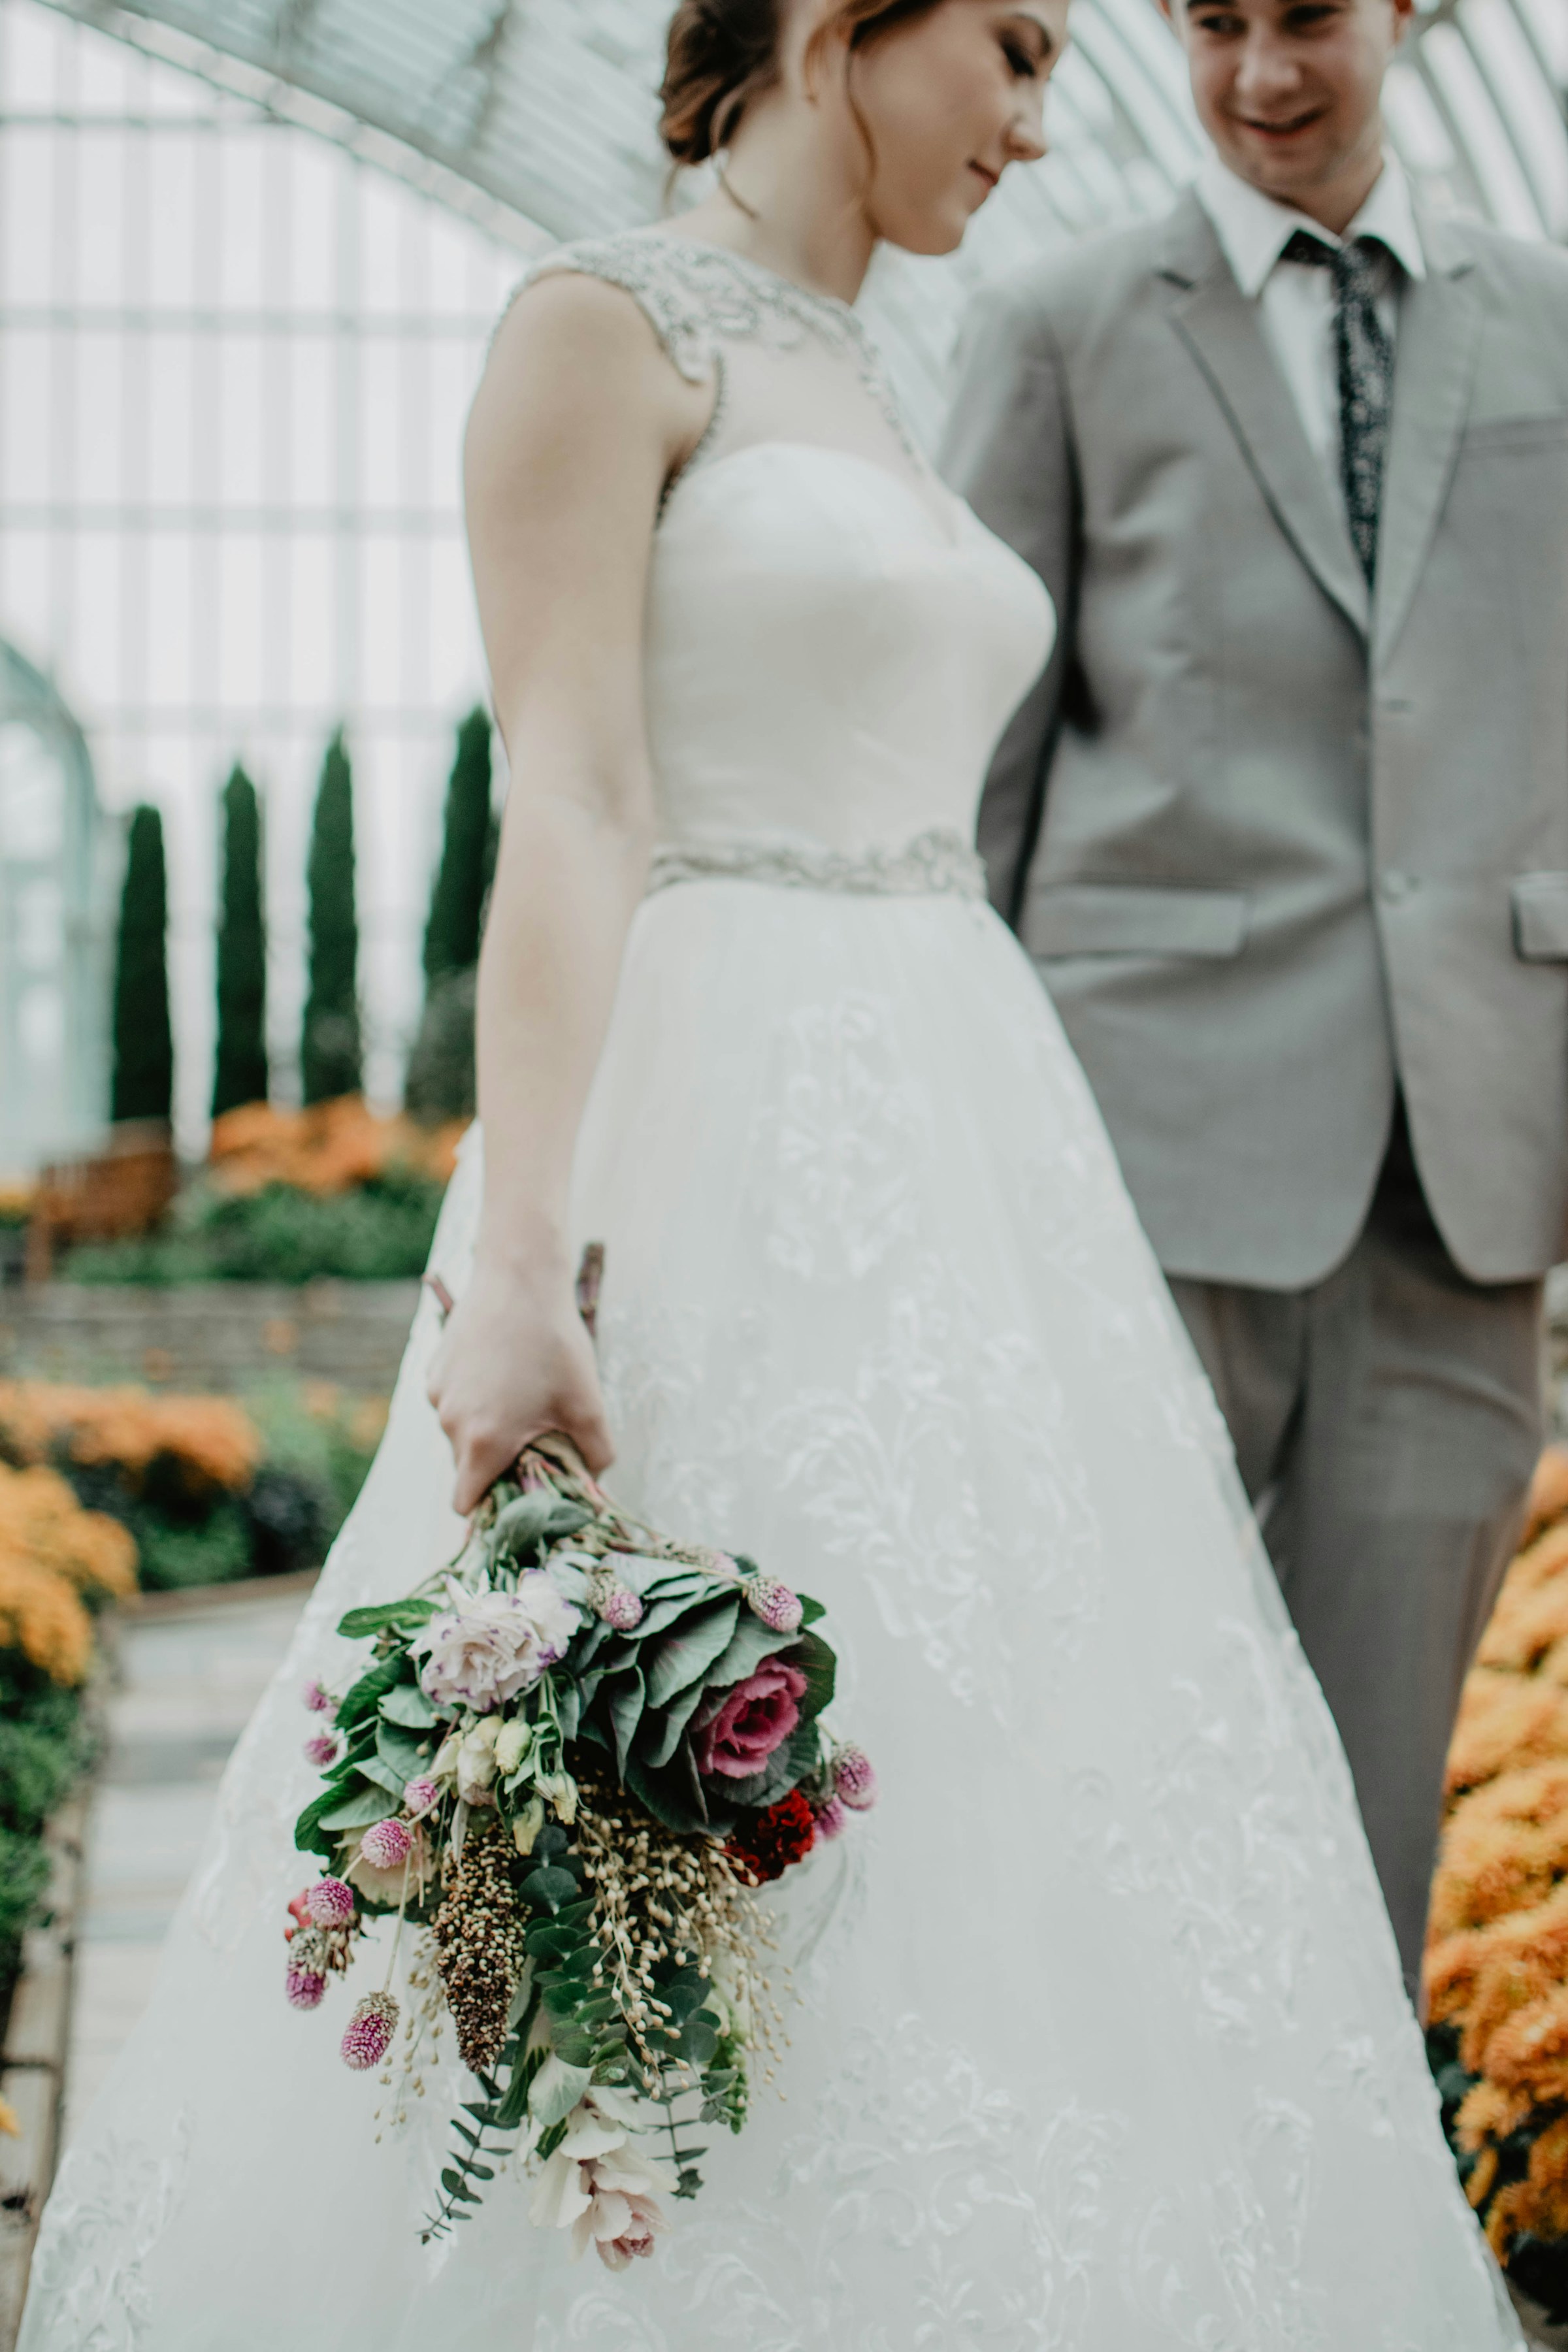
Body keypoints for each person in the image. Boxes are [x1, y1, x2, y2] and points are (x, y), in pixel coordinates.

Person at [20, 0, 1524, 2342]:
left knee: (1007, 1790)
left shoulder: (871, 360)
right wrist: (518, 1256)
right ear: (843, 30)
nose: (1043, 121)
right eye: (1013, 51)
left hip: (972, 1151)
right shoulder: (593, 329)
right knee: (662, 1775)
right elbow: (576, 805)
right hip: (708, 1125)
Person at [943, 0, 1568, 1998]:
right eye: (1213, 24)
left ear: (1414, 17)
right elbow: (979, 774)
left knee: (1378, 1804)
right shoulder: (1059, 326)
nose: (1259, 75)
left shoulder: (1557, 320)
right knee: (1117, 1753)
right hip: (1147, 1168)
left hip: (1472, 1177)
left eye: (1308, 17)